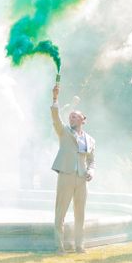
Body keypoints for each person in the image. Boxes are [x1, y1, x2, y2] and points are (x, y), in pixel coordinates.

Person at [50, 84, 95, 253]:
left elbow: (92, 161)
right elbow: (56, 118)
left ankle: (79, 245)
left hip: (82, 179)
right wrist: (55, 99)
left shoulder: (90, 140)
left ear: (83, 120)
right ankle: (58, 245)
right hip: (66, 175)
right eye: (70, 117)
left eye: (75, 117)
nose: (72, 119)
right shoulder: (64, 132)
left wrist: (91, 172)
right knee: (60, 212)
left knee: (80, 213)